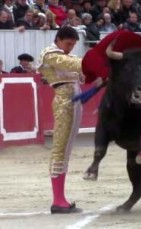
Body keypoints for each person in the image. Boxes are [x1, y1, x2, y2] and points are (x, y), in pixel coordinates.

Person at [37, 26, 84, 214]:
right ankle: (57, 200)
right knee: (60, 148)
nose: (70, 48)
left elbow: (82, 72)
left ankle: (61, 198)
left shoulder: (70, 57)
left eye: (73, 45)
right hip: (64, 103)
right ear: (58, 40)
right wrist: (94, 60)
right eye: (68, 43)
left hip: (75, 101)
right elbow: (70, 64)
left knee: (66, 150)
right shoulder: (49, 54)